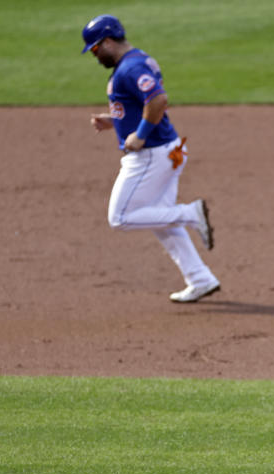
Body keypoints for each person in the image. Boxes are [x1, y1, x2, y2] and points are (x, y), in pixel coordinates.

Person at [81, 14, 221, 303]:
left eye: (96, 49)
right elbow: (141, 104)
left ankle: (190, 214)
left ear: (108, 41)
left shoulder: (130, 67)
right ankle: (200, 278)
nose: (95, 56)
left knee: (120, 218)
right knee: (160, 219)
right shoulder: (135, 61)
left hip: (150, 155)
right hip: (168, 151)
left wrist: (140, 134)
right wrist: (115, 122)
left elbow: (157, 100)